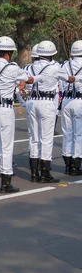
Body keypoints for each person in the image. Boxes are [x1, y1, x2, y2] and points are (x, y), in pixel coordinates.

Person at [0, 36, 38, 193]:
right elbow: (29, 79)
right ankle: (6, 182)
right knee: (6, 146)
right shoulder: (12, 68)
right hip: (4, 109)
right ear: (8, 53)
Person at [26, 41, 79, 183]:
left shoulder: (30, 68)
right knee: (46, 139)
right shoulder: (54, 67)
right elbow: (69, 79)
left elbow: (25, 86)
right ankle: (45, 173)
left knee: (34, 138)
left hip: (31, 102)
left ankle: (34, 173)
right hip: (46, 102)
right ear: (52, 54)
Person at [61, 40, 82, 175]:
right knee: (78, 134)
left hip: (66, 100)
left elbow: (61, 82)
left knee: (67, 133)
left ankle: (67, 164)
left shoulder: (64, 65)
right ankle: (76, 165)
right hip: (80, 100)